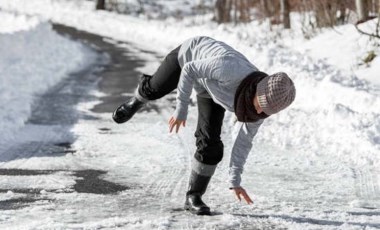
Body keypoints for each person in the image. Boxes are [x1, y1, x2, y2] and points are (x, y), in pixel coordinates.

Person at [112, 36, 296, 215]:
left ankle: (194, 196)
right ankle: (136, 101)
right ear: (258, 88)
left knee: (210, 144)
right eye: (260, 103)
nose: (258, 110)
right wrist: (181, 109)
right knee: (154, 89)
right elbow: (189, 70)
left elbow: (243, 143)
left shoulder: (260, 112)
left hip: (212, 88)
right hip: (190, 57)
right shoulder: (230, 69)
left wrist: (235, 181)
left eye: (265, 110)